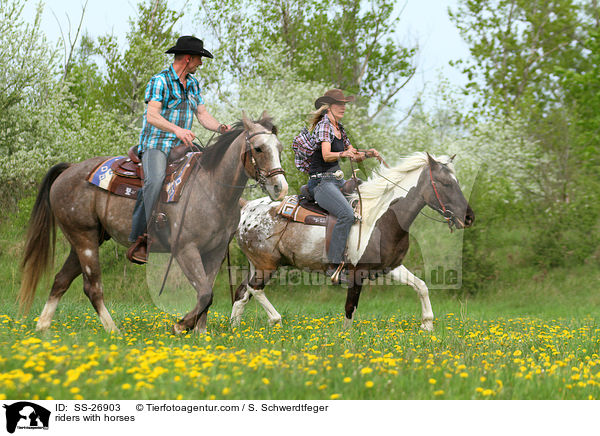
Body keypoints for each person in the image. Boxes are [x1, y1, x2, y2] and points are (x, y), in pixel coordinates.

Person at [127, 36, 231, 264]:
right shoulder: (160, 81)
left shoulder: (192, 84)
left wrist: (222, 127)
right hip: (157, 144)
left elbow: (202, 115)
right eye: (199, 59)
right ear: (188, 58)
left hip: (183, 146)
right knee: (154, 180)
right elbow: (151, 115)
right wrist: (177, 130)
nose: (200, 64)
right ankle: (139, 238)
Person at [307, 89, 379, 282]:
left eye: (345, 104)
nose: (343, 108)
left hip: (336, 181)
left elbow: (353, 155)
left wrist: (369, 154)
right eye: (339, 104)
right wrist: (343, 155)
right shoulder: (324, 126)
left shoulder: (340, 128)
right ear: (329, 106)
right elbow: (326, 155)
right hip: (321, 182)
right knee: (347, 214)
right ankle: (334, 265)